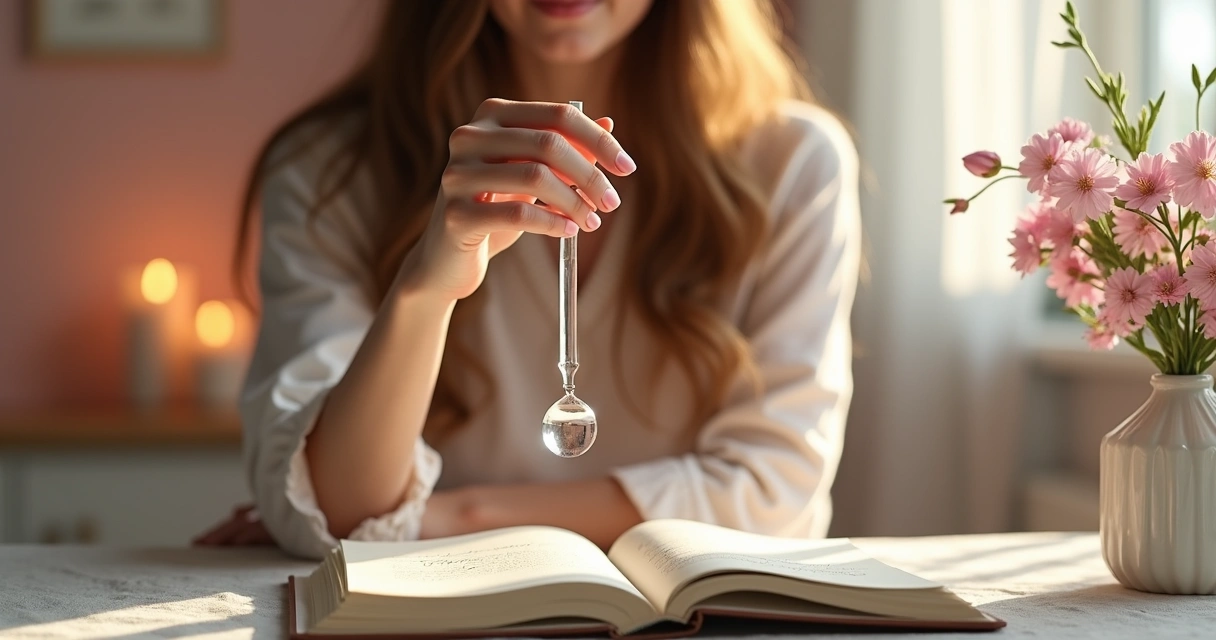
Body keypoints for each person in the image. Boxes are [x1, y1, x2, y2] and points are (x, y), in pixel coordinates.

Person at [194, 0, 860, 559]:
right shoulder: (326, 172)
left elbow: (771, 497)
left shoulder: (791, 166)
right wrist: (426, 289)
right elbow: (338, 502)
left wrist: (444, 519)